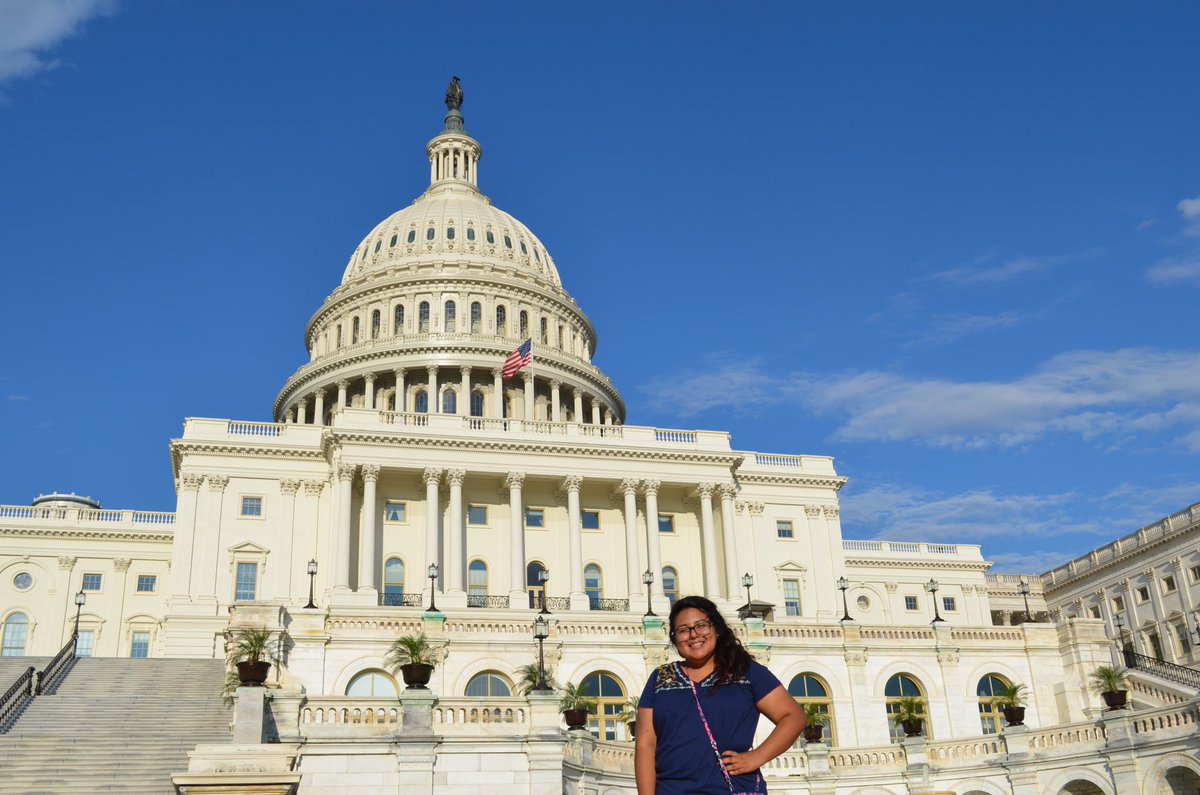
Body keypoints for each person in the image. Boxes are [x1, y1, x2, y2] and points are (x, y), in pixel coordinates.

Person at [635, 595, 804, 794]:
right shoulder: (660, 678)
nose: (694, 634)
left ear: (716, 628)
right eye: (683, 630)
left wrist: (756, 757)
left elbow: (793, 717)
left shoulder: (744, 671)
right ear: (674, 638)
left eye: (701, 625)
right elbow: (646, 745)